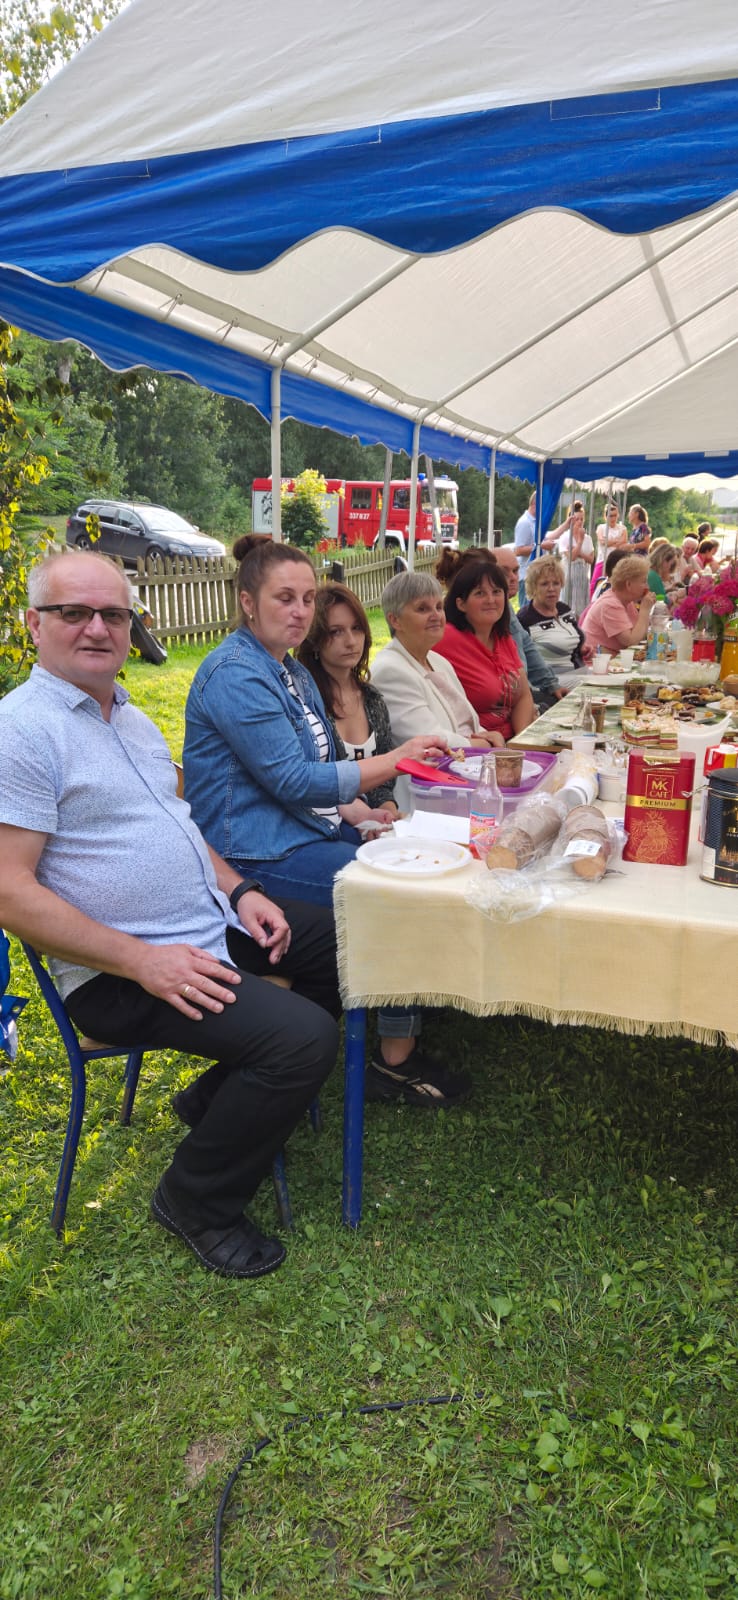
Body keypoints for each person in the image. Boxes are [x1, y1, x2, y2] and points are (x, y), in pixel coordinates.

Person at [0, 550, 343, 1281]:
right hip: (121, 973)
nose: (98, 628)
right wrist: (140, 961)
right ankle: (195, 1200)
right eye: (74, 613)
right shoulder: (21, 731)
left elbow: (179, 827)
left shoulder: (128, 718)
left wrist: (242, 891)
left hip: (206, 926)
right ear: (34, 624)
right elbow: (9, 892)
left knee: (347, 946)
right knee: (302, 1039)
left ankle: (216, 1101)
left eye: (114, 614)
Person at [183, 536, 468, 1108]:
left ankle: (232, 1081)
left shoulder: (288, 670)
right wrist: (396, 760)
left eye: (307, 598)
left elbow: (319, 771)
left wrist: (365, 815)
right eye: (284, 597)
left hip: (300, 835)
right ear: (247, 602)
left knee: (416, 854)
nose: (300, 611)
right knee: (397, 896)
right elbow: (293, 780)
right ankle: (394, 1062)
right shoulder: (237, 674)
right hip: (252, 857)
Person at [370, 570, 507, 747]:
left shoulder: (438, 661)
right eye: (422, 609)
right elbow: (428, 740)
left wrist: (488, 735)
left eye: (439, 607)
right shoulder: (390, 671)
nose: (436, 616)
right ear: (395, 620)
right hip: (437, 763)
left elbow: (465, 723)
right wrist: (485, 746)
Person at [296, 582, 399, 817]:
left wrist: (388, 813)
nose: (351, 641)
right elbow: (310, 783)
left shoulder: (372, 699)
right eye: (336, 632)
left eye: (357, 628)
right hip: (326, 823)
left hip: (375, 823)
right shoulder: (304, 703)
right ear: (315, 639)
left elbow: (383, 782)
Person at [432, 554, 536, 739]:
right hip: (476, 745)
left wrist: (521, 742)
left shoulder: (502, 638)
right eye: (480, 593)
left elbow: (523, 696)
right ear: (461, 604)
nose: (491, 600)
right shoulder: (445, 639)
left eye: (496, 592)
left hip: (510, 742)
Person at [517, 555, 594, 679]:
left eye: (556, 583)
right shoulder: (525, 619)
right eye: (544, 584)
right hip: (551, 680)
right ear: (533, 587)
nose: (551, 589)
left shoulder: (564, 610)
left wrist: (582, 648)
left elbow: (571, 643)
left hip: (579, 672)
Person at [583, 554, 656, 655]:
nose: (647, 587)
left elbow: (640, 634)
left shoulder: (626, 601)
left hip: (615, 659)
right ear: (628, 584)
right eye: (644, 582)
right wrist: (645, 610)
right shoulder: (610, 604)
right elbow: (631, 641)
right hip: (597, 662)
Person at [555, 501, 594, 617]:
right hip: (569, 575)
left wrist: (579, 553)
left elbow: (591, 559)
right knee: (568, 605)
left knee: (581, 608)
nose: (580, 522)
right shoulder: (565, 537)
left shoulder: (588, 538)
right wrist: (579, 542)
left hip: (583, 575)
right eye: (577, 519)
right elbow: (571, 557)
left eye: (582, 519)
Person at [591, 503, 627, 594]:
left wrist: (609, 542)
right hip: (603, 559)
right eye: (611, 516)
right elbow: (602, 541)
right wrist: (616, 541)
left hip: (617, 561)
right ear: (606, 516)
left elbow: (623, 543)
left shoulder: (622, 528)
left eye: (615, 515)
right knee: (595, 584)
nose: (613, 518)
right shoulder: (601, 527)